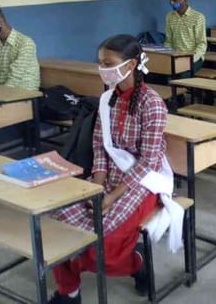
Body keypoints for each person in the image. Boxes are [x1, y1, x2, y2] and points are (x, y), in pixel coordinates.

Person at [49, 35, 181, 304]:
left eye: (108, 63)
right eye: (100, 63)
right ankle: (68, 292)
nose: (102, 69)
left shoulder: (152, 104)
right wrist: (97, 185)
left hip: (143, 182)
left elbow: (148, 162)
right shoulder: (107, 99)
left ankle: (138, 261)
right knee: (58, 223)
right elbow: (100, 146)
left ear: (131, 65)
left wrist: (111, 196)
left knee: (103, 242)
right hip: (108, 176)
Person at [164, 0, 206, 74]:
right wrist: (167, 54)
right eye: (170, 0)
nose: (172, 3)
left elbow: (201, 44)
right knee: (161, 73)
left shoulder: (198, 17)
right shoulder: (169, 17)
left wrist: (191, 58)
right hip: (175, 56)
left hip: (193, 57)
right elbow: (168, 40)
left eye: (175, 0)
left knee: (182, 75)